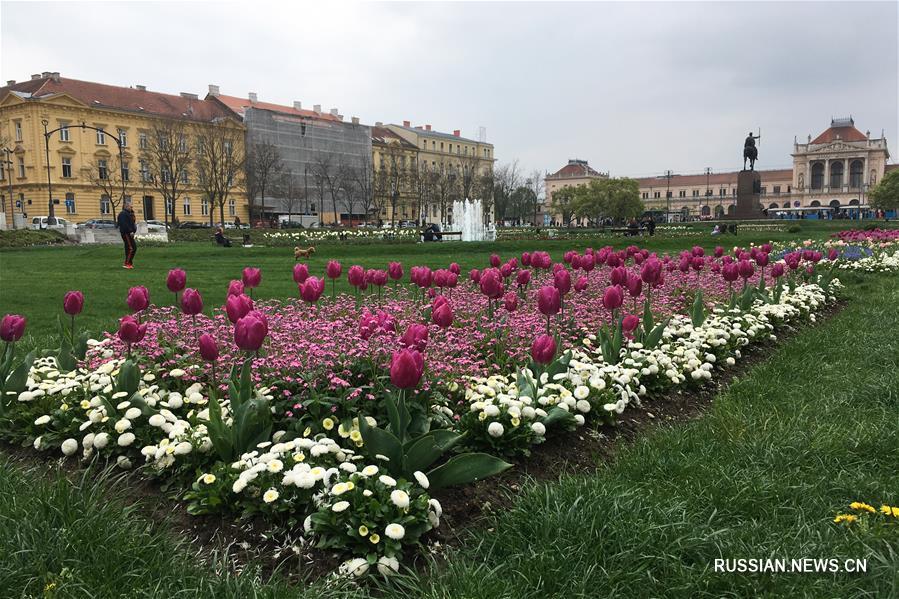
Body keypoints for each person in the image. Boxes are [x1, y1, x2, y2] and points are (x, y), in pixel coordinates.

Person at [117, 198, 137, 269]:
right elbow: (124, 224)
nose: (131, 208)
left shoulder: (129, 214)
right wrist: (130, 231)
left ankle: (129, 263)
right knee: (132, 248)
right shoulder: (123, 214)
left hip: (129, 233)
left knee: (130, 248)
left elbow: (132, 223)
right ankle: (127, 263)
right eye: (130, 207)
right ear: (126, 206)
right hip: (126, 233)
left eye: (132, 207)